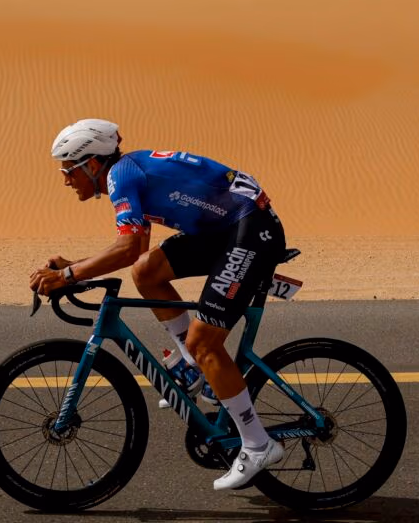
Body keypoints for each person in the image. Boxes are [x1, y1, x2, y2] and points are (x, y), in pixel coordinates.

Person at [29, 118, 286, 490]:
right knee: (147, 271)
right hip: (225, 229)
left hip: (250, 229)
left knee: (204, 342)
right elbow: (136, 250)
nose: (66, 179)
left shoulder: (121, 177)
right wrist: (75, 267)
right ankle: (193, 368)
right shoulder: (127, 172)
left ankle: (258, 444)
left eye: (69, 170)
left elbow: (127, 248)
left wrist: (68, 276)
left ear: (92, 164)